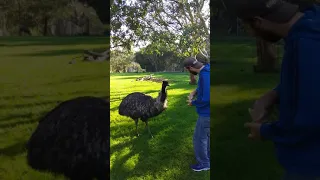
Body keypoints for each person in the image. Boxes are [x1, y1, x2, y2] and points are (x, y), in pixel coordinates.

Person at [234, 0, 320, 179]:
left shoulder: (306, 43)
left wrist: (264, 131)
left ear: (257, 22)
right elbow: (310, 78)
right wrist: (274, 94)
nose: (250, 34)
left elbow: (310, 118)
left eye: (246, 28)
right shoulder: (309, 27)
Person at [183, 57, 210, 172]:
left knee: (199, 138)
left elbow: (206, 99)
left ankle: (204, 163)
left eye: (188, 70)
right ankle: (208, 157)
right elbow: (204, 88)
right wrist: (195, 91)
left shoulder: (204, 76)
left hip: (207, 113)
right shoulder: (207, 70)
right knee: (207, 136)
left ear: (190, 68)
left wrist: (192, 102)